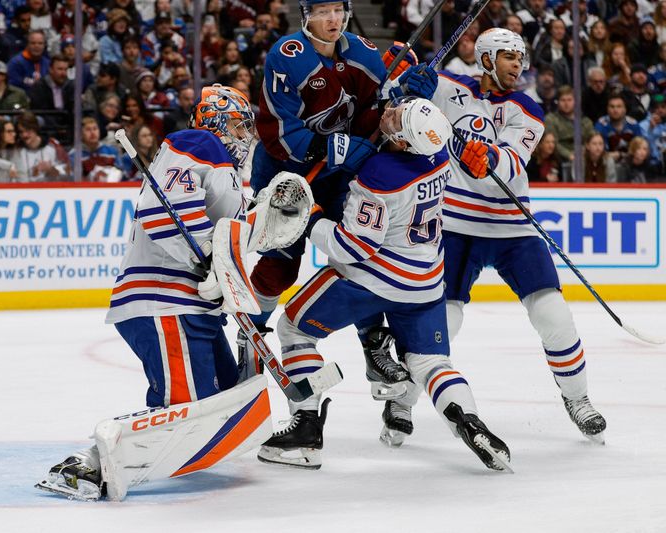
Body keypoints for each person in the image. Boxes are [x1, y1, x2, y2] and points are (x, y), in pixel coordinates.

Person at [36, 85, 283, 502]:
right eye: (240, 126)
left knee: (222, 403)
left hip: (190, 306)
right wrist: (208, 257)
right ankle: (85, 463)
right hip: (163, 298)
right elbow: (161, 213)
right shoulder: (197, 143)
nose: (246, 137)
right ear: (217, 123)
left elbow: (220, 240)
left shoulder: (229, 174)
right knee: (185, 412)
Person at [257, 97, 511, 472]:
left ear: (404, 142)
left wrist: (309, 219)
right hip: (425, 282)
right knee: (431, 362)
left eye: (397, 117)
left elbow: (353, 247)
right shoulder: (438, 156)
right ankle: (469, 420)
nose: (389, 113)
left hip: (374, 279)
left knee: (293, 327)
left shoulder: (379, 174)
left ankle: (306, 431)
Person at [391, 28, 607, 444]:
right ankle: (401, 403)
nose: (518, 65)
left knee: (554, 316)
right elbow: (398, 111)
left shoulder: (527, 109)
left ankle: (578, 399)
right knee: (442, 323)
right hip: (455, 226)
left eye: (521, 58)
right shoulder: (448, 86)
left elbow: (510, 163)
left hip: (512, 228)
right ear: (487, 59)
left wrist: (489, 156)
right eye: (509, 57)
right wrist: (404, 83)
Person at [245, 0, 387, 380]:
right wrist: (338, 147)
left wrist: (404, 95)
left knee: (355, 258)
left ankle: (375, 343)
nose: (333, 20)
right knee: (280, 265)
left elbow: (377, 115)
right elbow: (278, 132)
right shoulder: (287, 56)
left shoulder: (364, 54)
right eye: (323, 12)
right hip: (285, 173)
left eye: (338, 11)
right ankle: (251, 339)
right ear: (306, 16)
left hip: (337, 177)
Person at [10, 111, 70, 181]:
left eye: (28, 130)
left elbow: (67, 174)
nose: (24, 135)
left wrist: (50, 169)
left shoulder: (53, 145)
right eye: (21, 132)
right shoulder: (16, 149)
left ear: (35, 128)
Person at [68, 116, 129, 181]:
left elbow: (123, 174)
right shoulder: (74, 155)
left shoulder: (112, 151)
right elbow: (72, 178)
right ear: (81, 134)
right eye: (88, 129)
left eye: (95, 129)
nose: (92, 132)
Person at [544, 85, 595, 162]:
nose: (566, 103)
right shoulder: (550, 120)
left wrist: (584, 152)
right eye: (563, 100)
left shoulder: (585, 121)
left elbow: (593, 141)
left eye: (569, 100)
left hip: (584, 158)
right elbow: (552, 143)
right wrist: (569, 155)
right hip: (559, 160)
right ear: (557, 102)